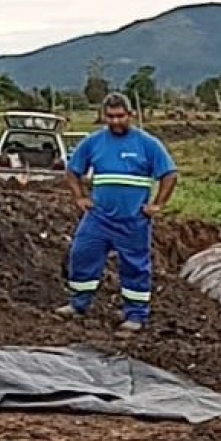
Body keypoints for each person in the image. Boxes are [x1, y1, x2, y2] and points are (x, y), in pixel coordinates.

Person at [56, 92, 178, 335]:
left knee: (135, 265)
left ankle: (135, 315)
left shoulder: (147, 144)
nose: (115, 121)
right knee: (82, 254)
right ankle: (79, 304)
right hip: (99, 217)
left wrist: (157, 205)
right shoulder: (93, 142)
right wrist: (80, 197)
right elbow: (72, 171)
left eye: (120, 116)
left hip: (133, 220)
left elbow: (169, 174)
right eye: (110, 117)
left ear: (130, 115)